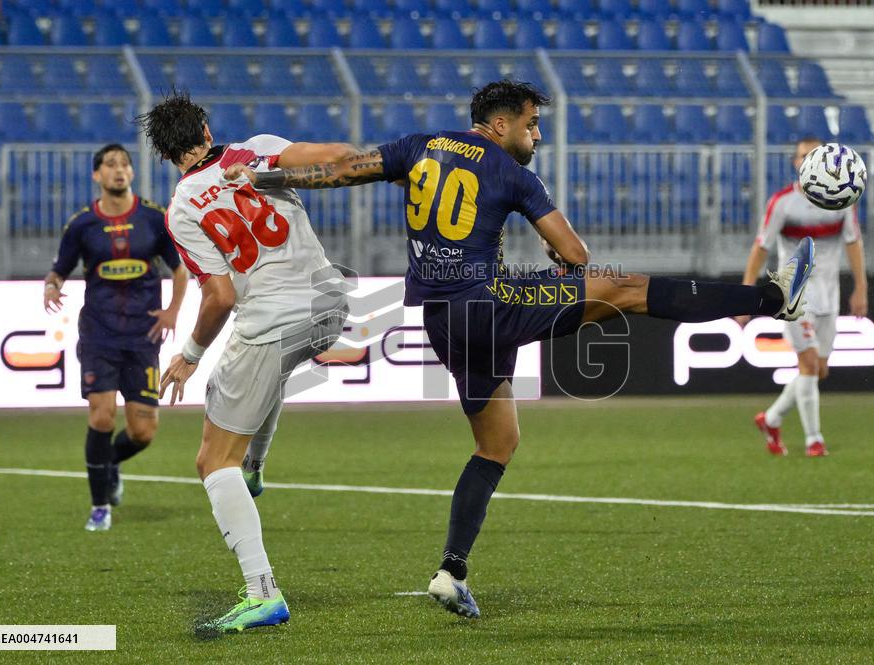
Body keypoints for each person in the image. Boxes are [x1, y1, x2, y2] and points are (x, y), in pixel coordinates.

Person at [223, 80, 814, 619]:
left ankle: (450, 571)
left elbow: (346, 171)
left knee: (498, 441)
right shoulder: (510, 170)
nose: (536, 135)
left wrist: (270, 179)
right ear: (500, 124)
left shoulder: (418, 144)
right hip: (487, 303)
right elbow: (578, 255)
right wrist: (565, 259)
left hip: (438, 318)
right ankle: (769, 297)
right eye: (531, 124)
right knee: (626, 289)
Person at [136, 92, 350, 633]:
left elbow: (221, 298)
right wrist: (386, 166)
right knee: (259, 375)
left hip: (273, 315)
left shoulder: (183, 205)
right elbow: (335, 157)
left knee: (212, 462)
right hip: (330, 302)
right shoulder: (255, 152)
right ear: (206, 130)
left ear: (166, 154)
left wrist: (188, 355)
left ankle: (262, 592)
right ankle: (254, 468)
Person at [43, 143, 188, 532]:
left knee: (144, 432)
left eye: (124, 163)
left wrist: (173, 310)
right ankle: (99, 507)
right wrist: (51, 286)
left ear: (131, 173)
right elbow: (59, 269)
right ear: (97, 175)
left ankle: (110, 464)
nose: (119, 170)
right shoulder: (81, 225)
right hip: (99, 337)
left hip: (143, 338)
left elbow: (179, 270)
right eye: (110, 165)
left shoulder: (155, 219)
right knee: (102, 416)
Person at [739, 136, 867, 457]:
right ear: (796, 163)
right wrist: (745, 291)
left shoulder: (843, 200)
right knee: (808, 363)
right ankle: (814, 440)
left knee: (819, 370)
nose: (806, 160)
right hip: (793, 295)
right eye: (802, 156)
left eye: (814, 154)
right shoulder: (782, 203)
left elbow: (853, 243)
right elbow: (761, 247)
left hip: (829, 293)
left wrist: (861, 287)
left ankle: (771, 419)